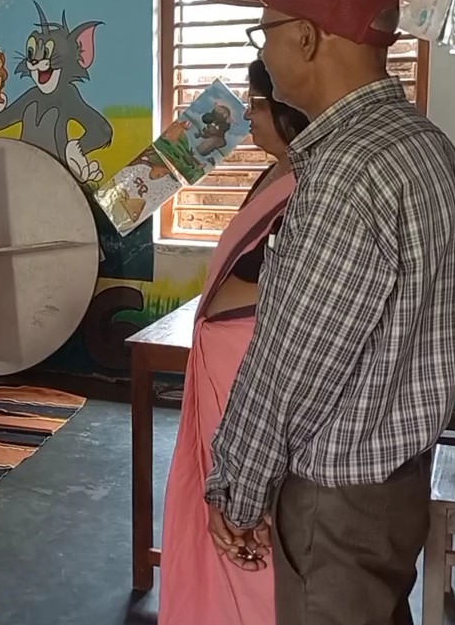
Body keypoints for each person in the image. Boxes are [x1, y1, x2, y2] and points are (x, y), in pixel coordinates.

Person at [203, 0, 455, 625]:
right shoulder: (424, 143)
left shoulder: (344, 172)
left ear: (306, 37)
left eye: (263, 33)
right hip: (396, 481)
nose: (262, 53)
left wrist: (236, 489)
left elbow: (291, 365)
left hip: (338, 499)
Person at [159, 59, 308, 625]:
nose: (248, 115)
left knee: (249, 523)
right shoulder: (274, 172)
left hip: (250, 374)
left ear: (291, 109)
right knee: (208, 514)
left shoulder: (312, 187)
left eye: (261, 105)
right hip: (222, 368)